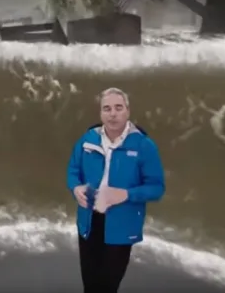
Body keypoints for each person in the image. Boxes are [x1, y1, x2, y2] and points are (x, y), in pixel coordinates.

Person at [66, 87, 166, 293]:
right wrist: (75, 188)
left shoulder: (144, 145)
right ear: (101, 113)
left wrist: (126, 194)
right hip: (89, 222)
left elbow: (157, 188)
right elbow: (73, 170)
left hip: (121, 225)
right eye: (107, 108)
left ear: (128, 111)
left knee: (108, 286)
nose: (112, 114)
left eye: (118, 108)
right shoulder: (88, 139)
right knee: (90, 284)